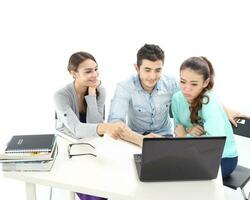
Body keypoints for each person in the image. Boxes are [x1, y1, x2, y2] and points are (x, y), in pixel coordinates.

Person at [108, 44, 246, 147]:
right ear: (137, 68)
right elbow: (115, 122)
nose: (152, 76)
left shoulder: (171, 83)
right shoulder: (124, 87)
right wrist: (142, 140)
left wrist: (224, 109)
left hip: (165, 138)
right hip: (135, 139)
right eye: (147, 70)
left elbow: (198, 94)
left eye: (158, 70)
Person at [54, 51, 127, 200]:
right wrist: (106, 127)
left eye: (96, 69)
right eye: (88, 71)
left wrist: (92, 95)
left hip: (93, 145)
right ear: (73, 73)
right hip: (69, 147)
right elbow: (77, 129)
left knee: (110, 178)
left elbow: (95, 123)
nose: (95, 75)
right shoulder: (61, 96)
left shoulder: (100, 91)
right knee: (94, 190)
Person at [171, 56, 238, 178]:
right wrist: (187, 132)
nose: (186, 88)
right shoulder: (176, 98)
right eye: (182, 81)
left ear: (205, 83)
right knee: (167, 170)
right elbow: (178, 131)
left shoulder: (209, 100)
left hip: (222, 157)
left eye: (194, 84)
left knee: (182, 177)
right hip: (193, 153)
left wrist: (186, 135)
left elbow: (213, 142)